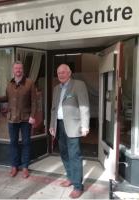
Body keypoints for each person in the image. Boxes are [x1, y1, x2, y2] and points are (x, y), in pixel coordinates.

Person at [49, 64, 90, 199]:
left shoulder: (79, 85)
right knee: (64, 154)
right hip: (59, 125)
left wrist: (85, 125)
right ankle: (71, 177)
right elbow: (54, 109)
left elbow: (84, 106)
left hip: (73, 126)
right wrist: (52, 125)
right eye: (59, 73)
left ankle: (78, 186)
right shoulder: (56, 88)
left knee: (74, 156)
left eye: (63, 72)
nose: (61, 75)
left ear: (69, 73)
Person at [0, 61, 36, 178]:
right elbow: (7, 98)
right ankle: (14, 166)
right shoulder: (9, 84)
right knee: (13, 143)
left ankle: (25, 167)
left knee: (26, 143)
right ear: (13, 70)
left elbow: (34, 101)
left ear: (23, 70)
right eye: (16, 68)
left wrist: (32, 116)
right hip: (12, 118)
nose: (18, 70)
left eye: (20, 68)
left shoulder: (30, 83)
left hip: (26, 118)